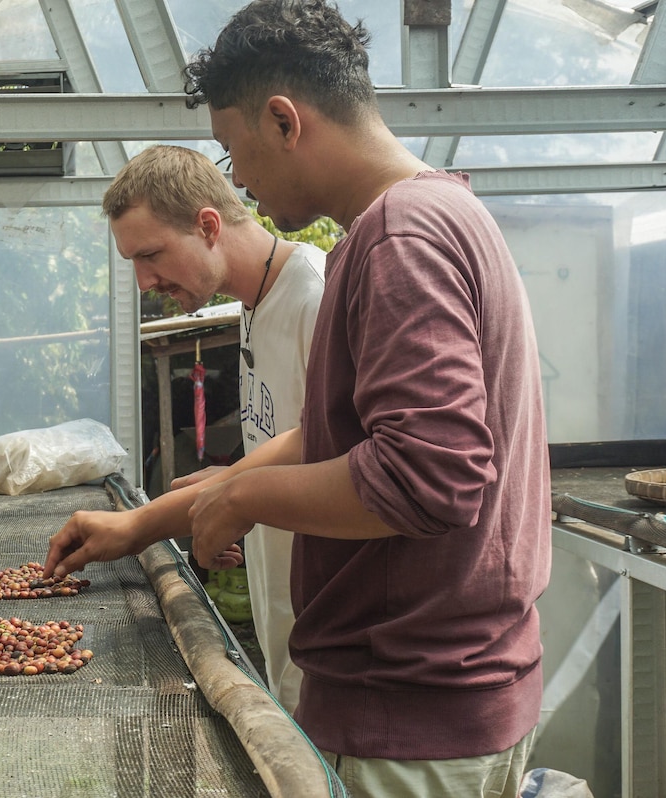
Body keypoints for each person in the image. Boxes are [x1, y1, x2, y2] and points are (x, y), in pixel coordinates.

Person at [44, 2, 552, 797]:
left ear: (283, 121)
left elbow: (429, 477)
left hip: (407, 710)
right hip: (457, 693)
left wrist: (245, 492)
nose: (237, 176)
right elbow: (345, 436)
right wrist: (198, 501)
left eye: (235, 149)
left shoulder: (399, 239)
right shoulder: (440, 215)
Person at [103, 144, 325, 713]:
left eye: (150, 254)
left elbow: (337, 442)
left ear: (207, 225)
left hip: (349, 657)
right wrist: (234, 496)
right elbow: (295, 448)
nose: (143, 281)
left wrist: (149, 522)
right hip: (297, 643)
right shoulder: (253, 306)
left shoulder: (316, 296)